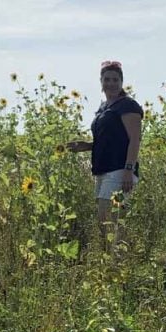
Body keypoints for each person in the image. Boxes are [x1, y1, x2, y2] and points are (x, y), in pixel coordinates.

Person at [67, 60, 143, 249]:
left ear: (121, 82)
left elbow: (134, 139)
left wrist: (128, 169)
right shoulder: (104, 108)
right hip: (102, 169)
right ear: (101, 81)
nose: (111, 83)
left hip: (119, 169)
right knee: (107, 221)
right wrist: (86, 146)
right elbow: (109, 141)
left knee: (106, 216)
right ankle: (113, 259)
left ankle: (117, 259)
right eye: (107, 79)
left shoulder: (128, 106)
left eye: (115, 80)